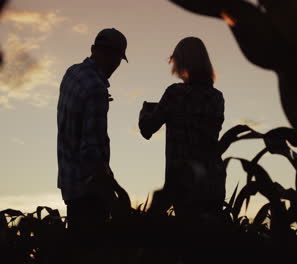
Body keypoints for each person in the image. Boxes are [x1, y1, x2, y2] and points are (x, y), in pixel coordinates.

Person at [139, 37, 226, 218]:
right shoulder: (217, 98)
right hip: (213, 180)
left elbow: (147, 129)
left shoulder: (175, 93)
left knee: (186, 237)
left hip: (182, 182)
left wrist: (145, 110)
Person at [57, 28, 128, 245]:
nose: (116, 66)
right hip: (90, 191)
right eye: (117, 59)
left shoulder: (72, 73)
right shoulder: (96, 89)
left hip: (69, 183)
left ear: (93, 49)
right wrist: (111, 194)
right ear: (116, 58)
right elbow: (92, 150)